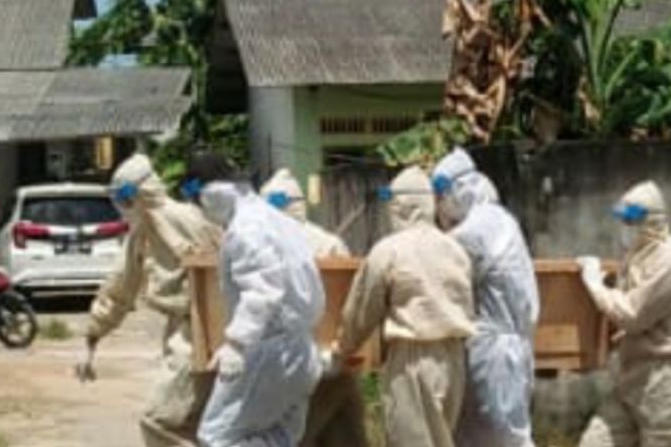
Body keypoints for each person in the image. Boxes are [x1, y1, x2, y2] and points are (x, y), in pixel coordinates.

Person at [77, 154, 221, 447]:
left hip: (196, 334)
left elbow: (120, 288)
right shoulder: (191, 219)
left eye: (124, 198)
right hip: (211, 330)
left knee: (160, 420)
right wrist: (93, 334)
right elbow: (121, 288)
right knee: (203, 423)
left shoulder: (171, 224)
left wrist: (94, 334)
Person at [334, 166, 476, 447]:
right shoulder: (455, 249)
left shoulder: (390, 250)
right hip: (454, 359)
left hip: (413, 359)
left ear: (399, 206)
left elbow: (363, 309)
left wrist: (342, 349)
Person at [575, 181, 671, 447]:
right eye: (623, 220)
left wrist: (594, 285)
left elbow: (632, 314)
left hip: (669, 381)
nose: (626, 228)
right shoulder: (637, 257)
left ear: (653, 222)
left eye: (631, 221)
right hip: (633, 375)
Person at [197, 179, 325, 447]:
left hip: (269, 349)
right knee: (279, 436)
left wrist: (236, 343)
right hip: (301, 347)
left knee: (218, 436)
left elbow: (262, 289)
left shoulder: (248, 228)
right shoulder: (278, 222)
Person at [432, 149, 540, 447]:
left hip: (493, 356)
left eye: (442, 197)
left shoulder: (478, 229)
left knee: (500, 439)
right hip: (506, 350)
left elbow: (434, 260)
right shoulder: (499, 219)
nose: (441, 207)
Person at [260, 169, 366, 447]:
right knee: (346, 433)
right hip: (332, 361)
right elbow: (350, 302)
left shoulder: (258, 246)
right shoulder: (329, 243)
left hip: (283, 368)